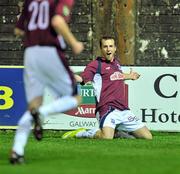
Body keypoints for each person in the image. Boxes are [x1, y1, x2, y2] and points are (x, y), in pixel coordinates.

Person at [10, 0, 84, 164]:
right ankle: (42, 114)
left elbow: (18, 30)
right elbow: (57, 21)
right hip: (49, 50)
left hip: (30, 53)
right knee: (76, 98)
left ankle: (17, 151)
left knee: (33, 106)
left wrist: (35, 32)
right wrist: (74, 43)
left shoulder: (30, 1)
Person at [62, 36, 152, 140]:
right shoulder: (95, 65)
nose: (108, 49)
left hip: (123, 109)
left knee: (147, 137)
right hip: (107, 108)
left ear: (115, 48)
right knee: (106, 137)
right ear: (101, 49)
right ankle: (84, 133)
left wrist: (129, 76)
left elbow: (116, 76)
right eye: (105, 46)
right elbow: (82, 79)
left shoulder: (116, 63)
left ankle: (117, 132)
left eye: (110, 46)